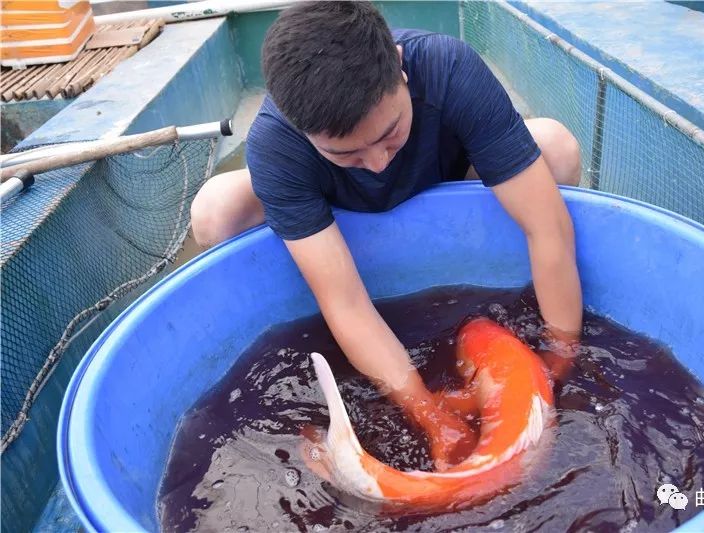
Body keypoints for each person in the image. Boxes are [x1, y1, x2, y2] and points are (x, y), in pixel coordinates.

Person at [190, 1, 582, 469]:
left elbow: (549, 230)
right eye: (348, 152)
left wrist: (558, 359)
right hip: (333, 212)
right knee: (214, 210)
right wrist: (429, 413)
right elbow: (347, 304)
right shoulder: (277, 143)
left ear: (399, 65)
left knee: (554, 146)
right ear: (301, 129)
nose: (378, 162)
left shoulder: (447, 66)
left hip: (446, 181)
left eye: (390, 134)